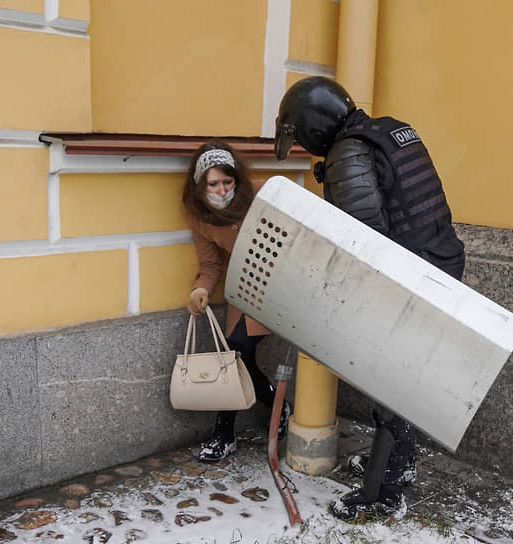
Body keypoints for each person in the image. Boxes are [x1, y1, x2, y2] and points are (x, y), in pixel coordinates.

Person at [274, 76, 465, 521]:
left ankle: (382, 493)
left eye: (301, 137)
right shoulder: (389, 130)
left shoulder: (349, 153)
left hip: (409, 276)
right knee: (403, 377)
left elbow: (367, 243)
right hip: (437, 262)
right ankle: (401, 463)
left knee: (389, 382)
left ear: (314, 125)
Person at [182, 141, 291, 462]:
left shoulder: (261, 193)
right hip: (245, 287)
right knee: (234, 355)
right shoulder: (199, 215)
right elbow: (212, 265)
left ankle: (225, 433)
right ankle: (274, 406)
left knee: (236, 354)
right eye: (213, 184)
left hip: (279, 283)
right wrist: (200, 290)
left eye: (227, 182)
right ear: (200, 184)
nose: (221, 190)